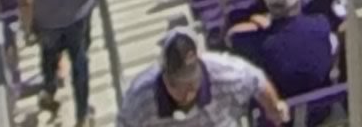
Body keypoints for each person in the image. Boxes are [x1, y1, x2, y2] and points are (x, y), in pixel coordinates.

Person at [230, 0, 340, 115]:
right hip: (322, 111)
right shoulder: (321, 24)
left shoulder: (260, 44)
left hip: (282, 120)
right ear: (297, 0)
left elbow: (231, 37)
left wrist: (258, 23)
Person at [119, 32, 285, 127]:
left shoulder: (227, 72)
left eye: (191, 84)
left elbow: (258, 81)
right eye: (175, 85)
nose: (185, 95)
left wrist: (274, 110)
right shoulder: (140, 97)